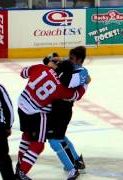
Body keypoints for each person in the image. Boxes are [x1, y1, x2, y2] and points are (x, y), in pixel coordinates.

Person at [15, 58, 88, 180]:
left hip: (22, 106)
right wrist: (85, 82)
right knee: (38, 145)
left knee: (27, 136)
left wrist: (48, 65)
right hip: (37, 113)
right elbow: (77, 95)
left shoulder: (41, 67)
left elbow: (23, 73)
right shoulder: (62, 89)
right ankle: (21, 172)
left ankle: (20, 166)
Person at [43, 47, 90, 180]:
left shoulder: (82, 72)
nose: (69, 60)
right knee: (60, 137)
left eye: (72, 58)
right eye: (68, 58)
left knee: (53, 140)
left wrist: (54, 68)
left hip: (62, 110)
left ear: (79, 60)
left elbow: (64, 84)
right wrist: (58, 60)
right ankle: (77, 161)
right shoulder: (74, 68)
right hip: (58, 108)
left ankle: (72, 169)